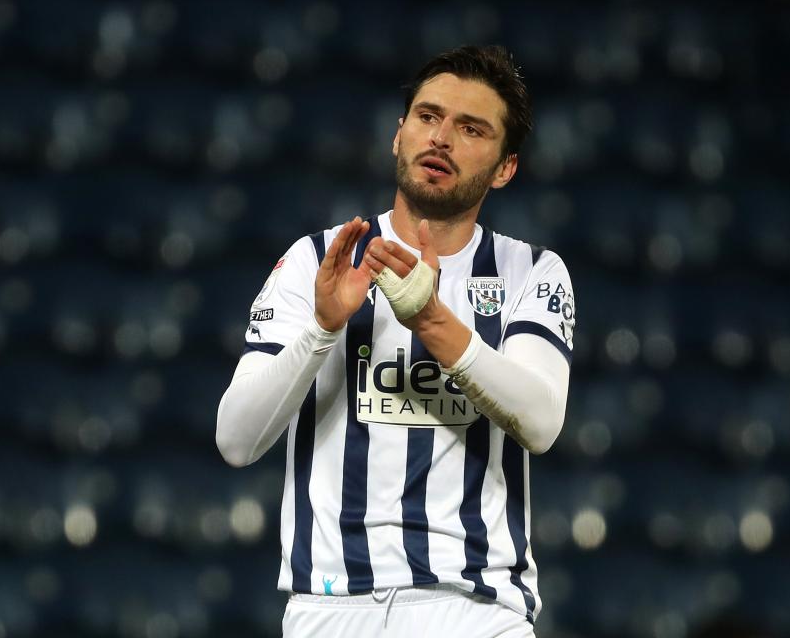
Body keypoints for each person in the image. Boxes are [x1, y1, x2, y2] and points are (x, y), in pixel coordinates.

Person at [216, 45, 575, 637]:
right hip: (330, 606)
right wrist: (323, 330)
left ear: (505, 167)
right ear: (398, 134)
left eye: (471, 129)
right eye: (428, 117)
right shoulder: (315, 261)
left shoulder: (530, 272)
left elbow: (540, 423)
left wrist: (430, 321)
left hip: (475, 608)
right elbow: (235, 439)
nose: (442, 138)